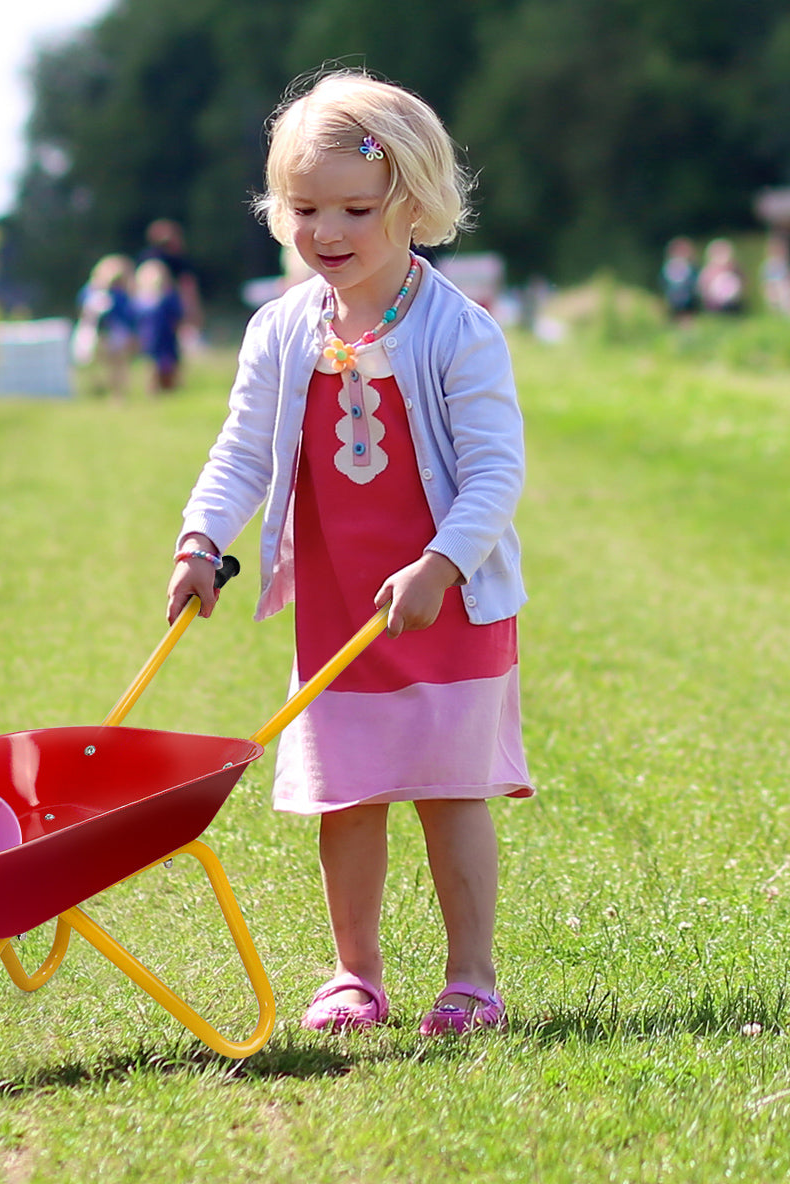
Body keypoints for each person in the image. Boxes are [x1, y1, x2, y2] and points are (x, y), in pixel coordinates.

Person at [165, 69, 532, 1036]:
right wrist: (201, 537)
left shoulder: (460, 332)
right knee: (349, 792)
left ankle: (472, 980)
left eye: (354, 209)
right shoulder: (283, 331)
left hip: (444, 604)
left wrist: (442, 566)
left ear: (411, 204)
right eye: (305, 209)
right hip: (340, 607)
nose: (327, 231)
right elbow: (243, 449)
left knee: (451, 790)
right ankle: (354, 974)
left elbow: (496, 474)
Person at [138, 219, 203, 367]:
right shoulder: (177, 261)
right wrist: (193, 310)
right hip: (170, 307)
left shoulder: (145, 258)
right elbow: (187, 287)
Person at [72, 254, 137, 402]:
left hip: (113, 332)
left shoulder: (119, 294)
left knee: (117, 363)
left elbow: (126, 313)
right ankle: (95, 390)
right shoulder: (90, 291)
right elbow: (83, 311)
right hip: (93, 332)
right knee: (89, 363)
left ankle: (117, 393)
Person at [133, 257, 184, 392]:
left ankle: (171, 389)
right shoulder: (141, 300)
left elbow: (177, 315)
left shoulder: (169, 296)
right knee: (152, 367)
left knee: (169, 366)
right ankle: (154, 391)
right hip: (149, 338)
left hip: (166, 336)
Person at [696, 237, 745, 315]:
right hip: (714, 305)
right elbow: (703, 288)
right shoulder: (708, 271)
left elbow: (743, 284)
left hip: (734, 304)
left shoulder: (735, 269)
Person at [659, 237, 699, 322]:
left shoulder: (691, 268)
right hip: (673, 298)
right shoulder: (668, 268)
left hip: (688, 299)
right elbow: (663, 282)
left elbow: (694, 281)